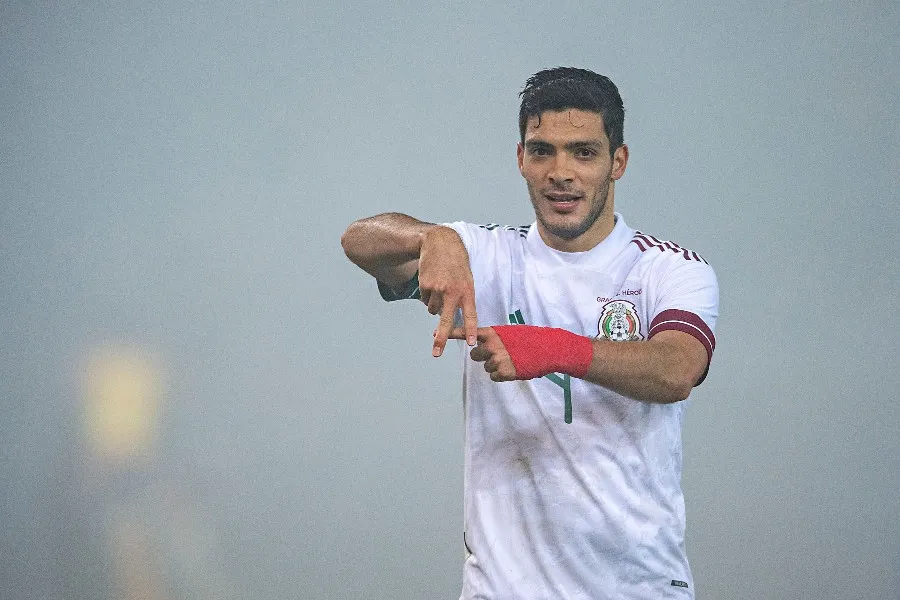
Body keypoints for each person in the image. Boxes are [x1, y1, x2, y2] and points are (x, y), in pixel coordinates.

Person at [341, 67, 719, 600]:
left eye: (583, 153)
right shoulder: (488, 257)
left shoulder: (668, 271)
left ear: (619, 162)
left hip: (638, 588)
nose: (560, 172)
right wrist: (436, 237)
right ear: (521, 159)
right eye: (542, 151)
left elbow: (677, 368)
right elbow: (358, 241)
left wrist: (554, 349)